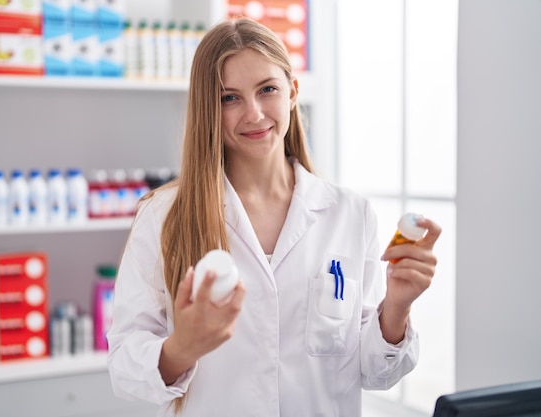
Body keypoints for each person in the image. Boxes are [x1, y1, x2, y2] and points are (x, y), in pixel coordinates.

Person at [107, 17, 442, 417]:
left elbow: (373, 372)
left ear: (293, 92)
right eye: (229, 98)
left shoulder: (350, 214)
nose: (253, 114)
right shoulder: (162, 216)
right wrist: (182, 348)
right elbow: (124, 365)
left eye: (267, 90)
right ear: (206, 108)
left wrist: (397, 308)